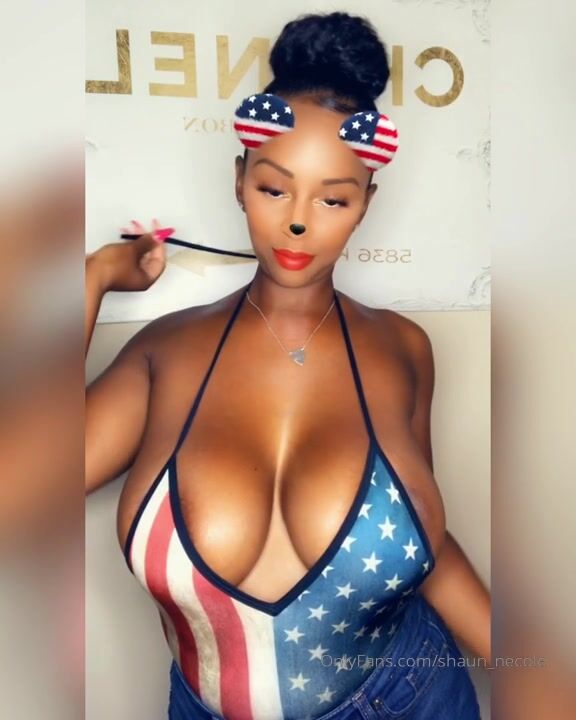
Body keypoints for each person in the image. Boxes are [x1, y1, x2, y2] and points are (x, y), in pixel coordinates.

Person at [86, 11, 489, 720]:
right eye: (275, 189)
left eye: (333, 198)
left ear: (365, 205)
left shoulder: (405, 348)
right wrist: (91, 280)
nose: (299, 221)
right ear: (239, 180)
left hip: (412, 697)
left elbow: (423, 543)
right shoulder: (162, 355)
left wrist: (534, 668)